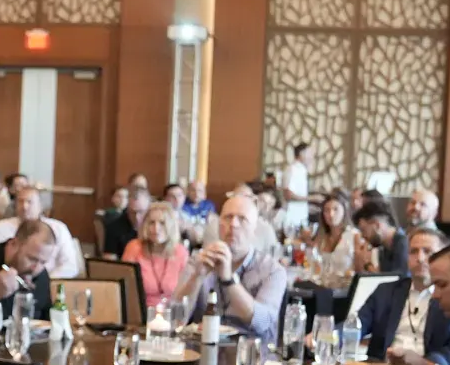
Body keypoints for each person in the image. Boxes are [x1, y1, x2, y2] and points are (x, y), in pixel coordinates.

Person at [353, 227, 450, 365]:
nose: (420, 258)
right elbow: (356, 324)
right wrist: (328, 334)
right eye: (414, 251)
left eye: (428, 252)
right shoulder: (385, 291)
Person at [171, 194, 288, 344]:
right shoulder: (198, 261)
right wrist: (197, 278)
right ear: (219, 225)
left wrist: (229, 280)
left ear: (254, 229)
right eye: (227, 217)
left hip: (251, 354)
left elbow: (262, 322)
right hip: (202, 351)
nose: (233, 224)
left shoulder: (273, 270)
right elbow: (175, 320)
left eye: (242, 219)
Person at [0, 182, 84, 278]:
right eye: (20, 202)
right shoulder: (1, 227)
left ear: (40, 205)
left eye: (29, 202)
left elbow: (70, 266)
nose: (25, 206)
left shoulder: (58, 228)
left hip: (50, 285)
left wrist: (42, 282)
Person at [122, 202, 189, 309]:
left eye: (162, 223)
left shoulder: (181, 252)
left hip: (170, 313)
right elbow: (124, 289)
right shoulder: (134, 247)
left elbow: (185, 294)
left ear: (171, 226)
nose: (156, 228)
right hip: (139, 312)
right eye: (151, 223)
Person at [352, 200, 409, 276]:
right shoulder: (383, 247)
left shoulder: (402, 244)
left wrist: (366, 263)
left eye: (363, 230)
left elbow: (396, 282)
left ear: (377, 225)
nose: (362, 236)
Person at [305, 192, 359, 264]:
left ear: (344, 211)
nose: (331, 214)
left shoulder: (353, 235)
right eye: (327, 210)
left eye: (335, 209)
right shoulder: (321, 236)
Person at [103, 187, 151, 257]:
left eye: (141, 212)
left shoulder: (156, 226)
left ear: (149, 209)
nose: (137, 218)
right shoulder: (113, 227)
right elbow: (109, 260)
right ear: (127, 209)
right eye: (132, 213)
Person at [284, 142, 314, 230]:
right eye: (309, 153)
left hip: (301, 217)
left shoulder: (302, 170)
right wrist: (312, 198)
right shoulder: (292, 169)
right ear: (301, 153)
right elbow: (288, 195)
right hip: (292, 218)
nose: (311, 157)